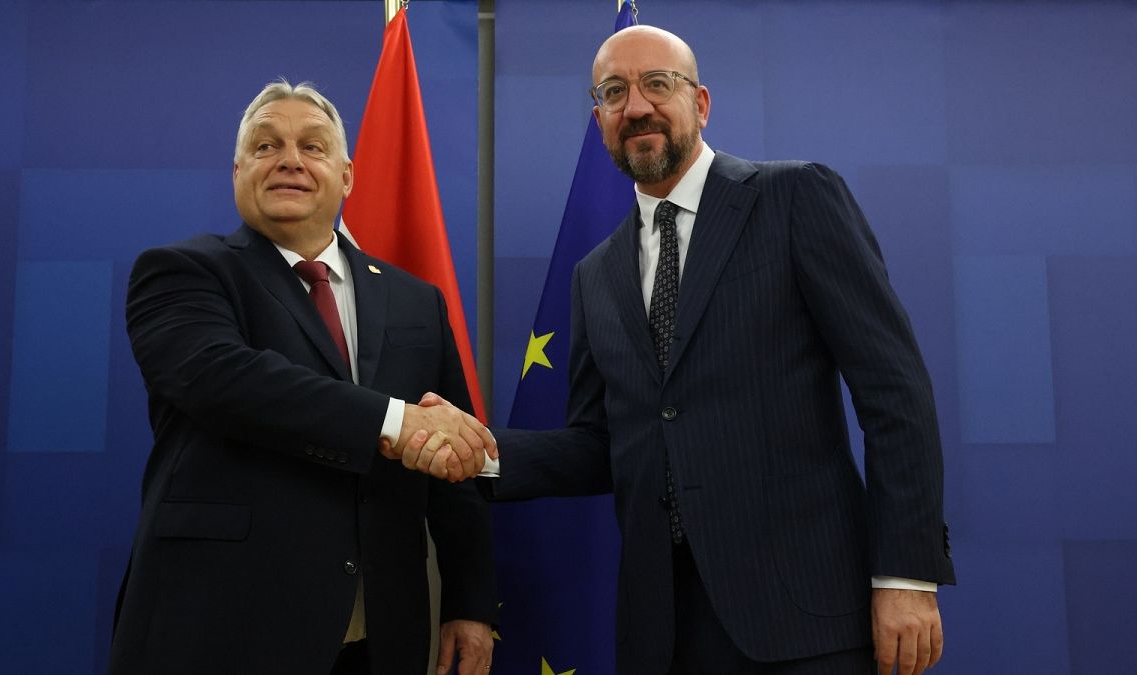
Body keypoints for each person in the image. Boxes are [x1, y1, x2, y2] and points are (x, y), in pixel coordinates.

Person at [413, 24, 955, 675]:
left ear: (700, 103)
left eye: (656, 85)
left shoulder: (792, 197)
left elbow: (894, 392)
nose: (636, 105)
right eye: (615, 92)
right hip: (663, 632)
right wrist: (479, 450)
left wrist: (906, 573)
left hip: (807, 619)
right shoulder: (595, 275)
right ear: (600, 119)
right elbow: (598, 444)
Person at [108, 80, 498, 675]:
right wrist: (396, 421)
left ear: (347, 176)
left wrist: (468, 602)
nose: (290, 159)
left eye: (313, 147)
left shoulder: (418, 301)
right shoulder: (183, 272)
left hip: (381, 639)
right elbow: (228, 380)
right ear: (237, 171)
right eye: (267, 146)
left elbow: (453, 465)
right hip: (222, 631)